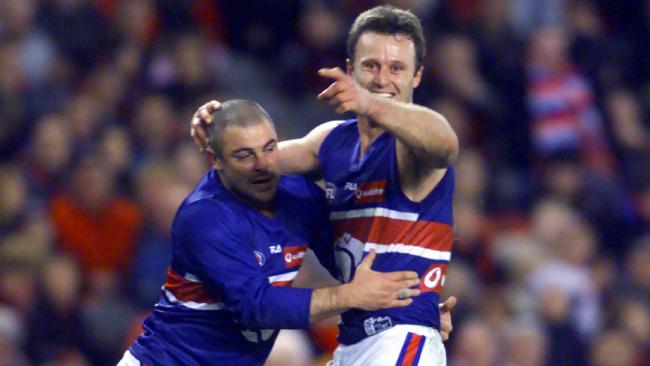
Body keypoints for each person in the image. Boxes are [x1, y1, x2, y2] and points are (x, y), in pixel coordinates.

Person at [192, 5, 459, 365]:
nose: (382, 80)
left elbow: (445, 143)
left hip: (400, 337)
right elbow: (257, 163)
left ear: (417, 77)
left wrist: (371, 105)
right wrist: (217, 130)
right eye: (371, 66)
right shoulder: (330, 142)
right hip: (352, 341)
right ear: (351, 70)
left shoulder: (412, 148)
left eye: (397, 68)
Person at [119, 100, 422, 365]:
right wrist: (351, 295)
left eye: (269, 148)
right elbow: (257, 308)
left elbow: (351, 261)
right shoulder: (204, 217)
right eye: (244, 155)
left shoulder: (299, 196)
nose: (263, 165)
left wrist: (417, 312)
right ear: (215, 160)